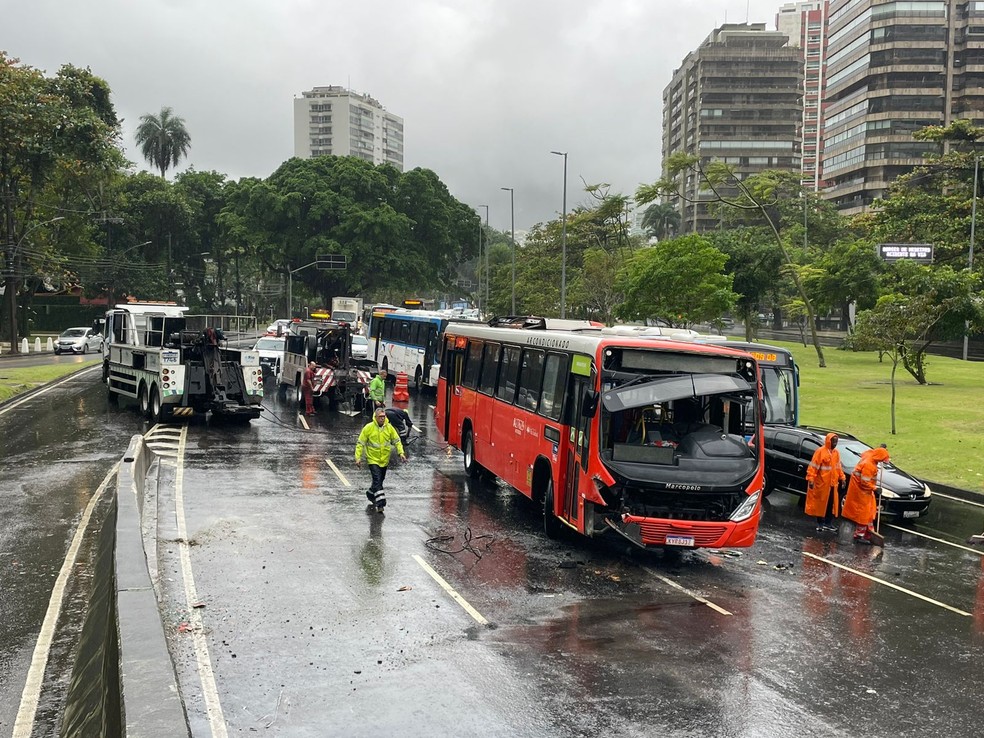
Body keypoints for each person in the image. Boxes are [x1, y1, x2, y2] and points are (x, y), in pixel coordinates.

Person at [355, 407, 406, 512]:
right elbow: (361, 443)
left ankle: (370, 493)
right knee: (377, 480)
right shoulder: (368, 428)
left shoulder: (389, 428)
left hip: (384, 460)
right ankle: (381, 504)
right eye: (380, 417)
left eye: (384, 417)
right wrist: (358, 457)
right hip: (372, 459)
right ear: (375, 417)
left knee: (379, 480)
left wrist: (401, 453)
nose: (382, 419)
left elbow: (396, 441)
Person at [841, 446, 890, 544]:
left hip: (864, 490)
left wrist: (881, 449)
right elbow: (864, 483)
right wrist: (875, 488)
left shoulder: (870, 456)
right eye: (882, 460)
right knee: (864, 513)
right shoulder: (869, 465)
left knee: (870, 510)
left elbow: (869, 452)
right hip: (861, 491)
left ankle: (868, 533)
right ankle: (859, 535)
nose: (882, 462)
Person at [805, 432, 845, 532]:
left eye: (836, 442)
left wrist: (842, 478)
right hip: (822, 484)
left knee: (831, 504)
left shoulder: (836, 453)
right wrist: (811, 479)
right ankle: (820, 523)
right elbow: (813, 467)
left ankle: (828, 523)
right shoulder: (820, 452)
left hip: (832, 484)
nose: (835, 444)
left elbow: (838, 467)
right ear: (828, 441)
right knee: (820, 504)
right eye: (833, 442)